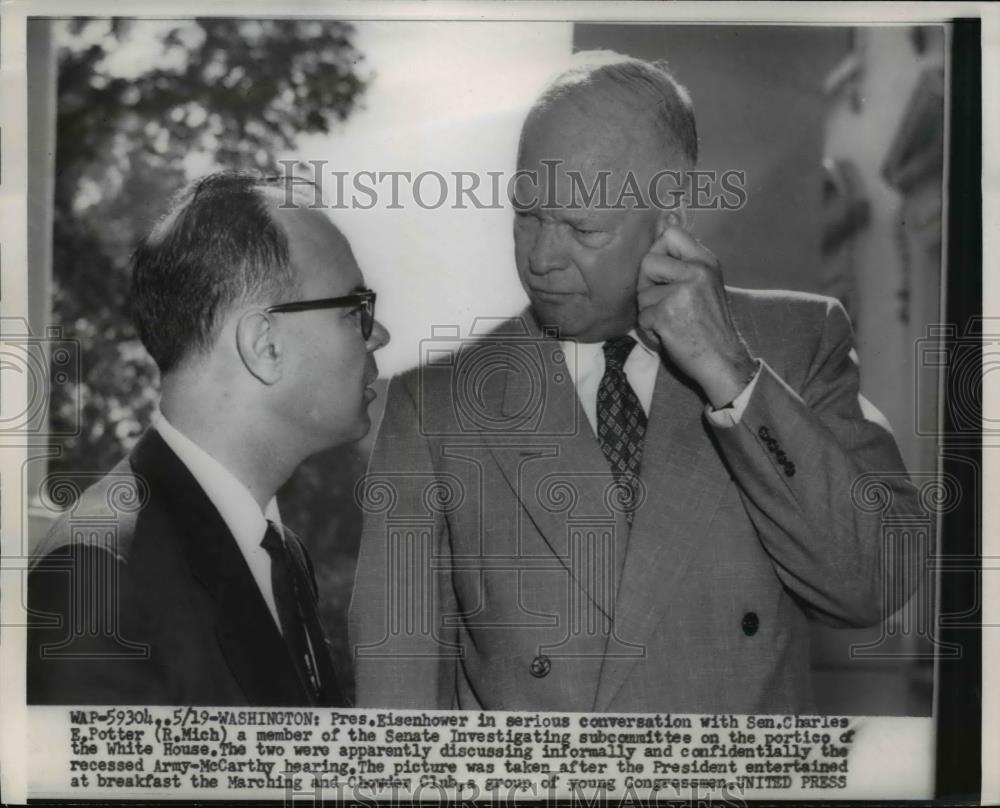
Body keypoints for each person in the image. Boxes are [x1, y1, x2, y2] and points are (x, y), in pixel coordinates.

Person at [349, 53, 925, 714]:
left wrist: (731, 378)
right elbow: (397, 707)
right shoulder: (438, 406)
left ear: (670, 214)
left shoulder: (795, 344)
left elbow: (877, 583)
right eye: (527, 215)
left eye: (582, 228)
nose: (540, 258)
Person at [28, 171, 389, 706]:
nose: (379, 333)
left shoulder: (280, 555)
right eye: (355, 309)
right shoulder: (98, 578)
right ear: (264, 344)